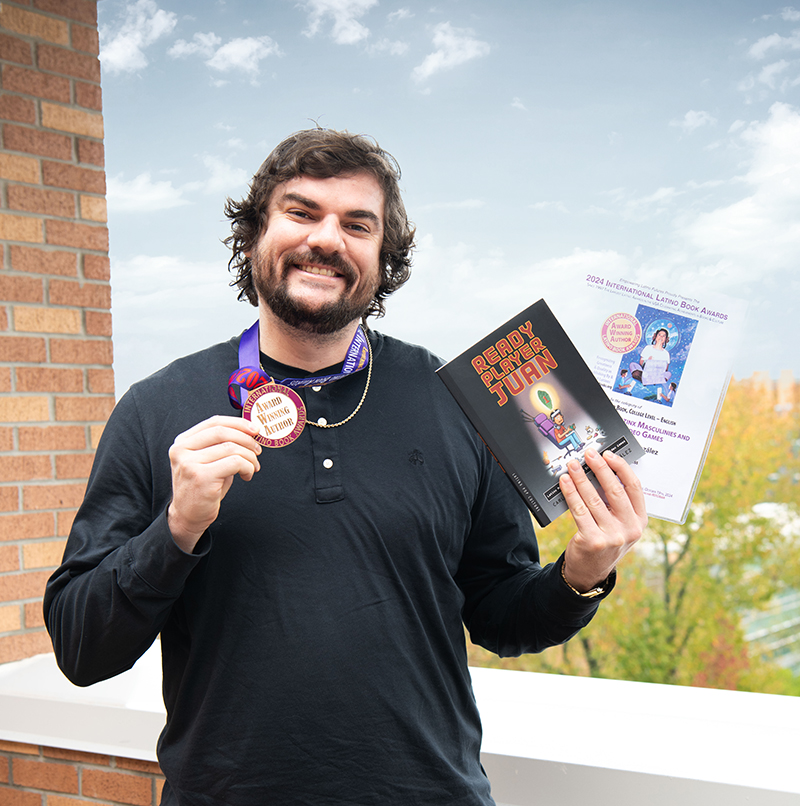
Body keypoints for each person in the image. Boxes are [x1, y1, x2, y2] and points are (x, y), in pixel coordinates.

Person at [44, 129, 647, 806]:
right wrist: (176, 528)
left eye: (357, 225)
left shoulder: (455, 401)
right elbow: (80, 647)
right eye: (301, 213)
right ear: (253, 237)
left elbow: (502, 616)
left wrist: (582, 574)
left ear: (382, 260)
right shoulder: (158, 410)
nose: (327, 239)